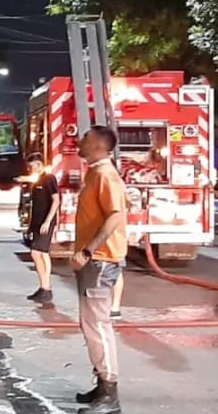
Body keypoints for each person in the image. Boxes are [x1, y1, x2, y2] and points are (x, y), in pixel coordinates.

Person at [70, 126, 127, 413]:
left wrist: (88, 251)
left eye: (85, 138)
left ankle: (109, 394)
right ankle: (102, 383)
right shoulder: (95, 173)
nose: (79, 141)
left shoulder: (105, 175)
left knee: (98, 325)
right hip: (95, 260)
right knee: (91, 324)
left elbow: (116, 215)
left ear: (98, 146)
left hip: (100, 261)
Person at [25, 154, 60, 303]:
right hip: (37, 222)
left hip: (45, 223)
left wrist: (47, 221)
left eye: (32, 166)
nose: (30, 169)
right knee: (41, 254)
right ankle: (43, 288)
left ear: (39, 164)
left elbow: (56, 200)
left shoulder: (49, 178)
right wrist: (30, 226)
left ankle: (46, 288)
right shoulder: (37, 181)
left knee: (37, 253)